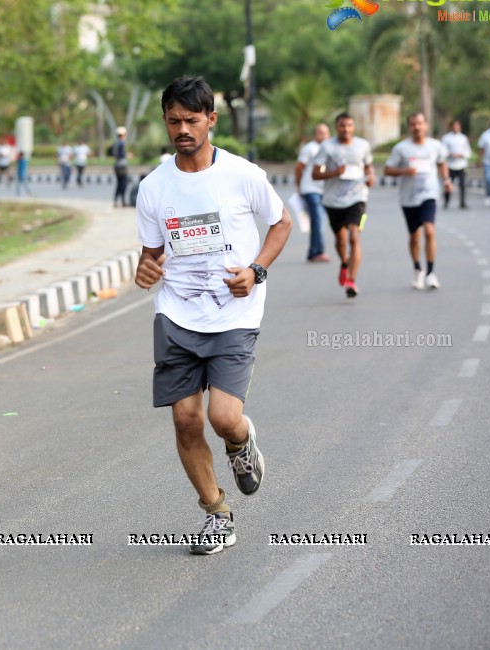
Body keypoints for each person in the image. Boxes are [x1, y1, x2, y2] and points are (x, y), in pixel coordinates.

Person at [135, 76, 292, 555]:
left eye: (191, 120)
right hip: (177, 314)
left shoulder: (243, 175)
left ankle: (241, 443)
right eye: (173, 121)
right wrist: (144, 269)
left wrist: (257, 269)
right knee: (186, 420)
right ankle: (217, 513)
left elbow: (281, 222)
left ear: (211, 120)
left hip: (234, 313)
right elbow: (152, 255)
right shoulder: (154, 186)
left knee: (224, 418)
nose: (182, 129)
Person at [384, 112, 451, 290]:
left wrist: (446, 180)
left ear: (426, 125)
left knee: (429, 231)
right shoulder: (401, 148)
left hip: (429, 194)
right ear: (409, 127)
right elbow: (388, 170)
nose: (417, 127)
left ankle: (430, 272)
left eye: (420, 124)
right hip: (408, 197)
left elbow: (442, 163)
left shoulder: (435, 145)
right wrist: (405, 171)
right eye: (413, 124)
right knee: (414, 237)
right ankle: (417, 269)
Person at [312, 112, 375, 298]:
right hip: (333, 200)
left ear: (353, 127)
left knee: (354, 237)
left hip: (358, 198)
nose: (346, 129)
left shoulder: (363, 145)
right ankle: (345, 263)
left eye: (349, 125)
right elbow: (315, 174)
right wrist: (333, 173)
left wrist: (371, 177)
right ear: (336, 127)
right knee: (340, 240)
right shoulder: (327, 147)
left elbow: (369, 167)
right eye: (342, 125)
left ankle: (351, 281)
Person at [294, 123, 331, 263]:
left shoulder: (329, 148)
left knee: (318, 221)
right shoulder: (309, 149)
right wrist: (299, 186)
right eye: (320, 132)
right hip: (310, 189)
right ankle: (318, 251)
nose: (323, 135)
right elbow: (299, 168)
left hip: (324, 190)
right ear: (315, 134)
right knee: (318, 219)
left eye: (326, 133)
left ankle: (313, 252)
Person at [440, 120, 471, 209]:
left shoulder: (463, 138)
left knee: (463, 185)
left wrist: (462, 155)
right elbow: (443, 150)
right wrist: (450, 154)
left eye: (457, 126)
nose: (455, 128)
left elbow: (467, 150)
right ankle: (446, 201)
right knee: (448, 184)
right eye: (454, 126)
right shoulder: (446, 138)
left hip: (461, 165)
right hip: (450, 165)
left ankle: (462, 202)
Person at [111, 126, 129, 207]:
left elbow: (112, 153)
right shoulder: (121, 143)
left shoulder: (116, 143)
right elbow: (121, 154)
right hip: (122, 166)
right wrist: (127, 155)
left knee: (119, 183)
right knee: (123, 184)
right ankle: (122, 200)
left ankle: (116, 200)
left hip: (117, 166)